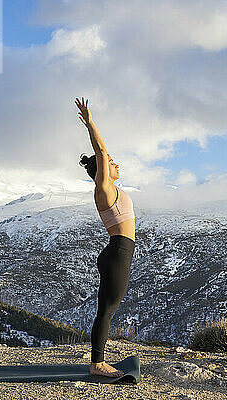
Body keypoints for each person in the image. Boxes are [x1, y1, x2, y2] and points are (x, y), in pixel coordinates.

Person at [76, 97, 136, 378]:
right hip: (117, 253)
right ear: (101, 170)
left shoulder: (113, 190)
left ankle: (97, 360)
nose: (115, 163)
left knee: (107, 309)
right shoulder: (104, 189)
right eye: (110, 163)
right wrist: (90, 122)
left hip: (119, 253)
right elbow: (101, 149)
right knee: (107, 311)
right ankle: (97, 363)